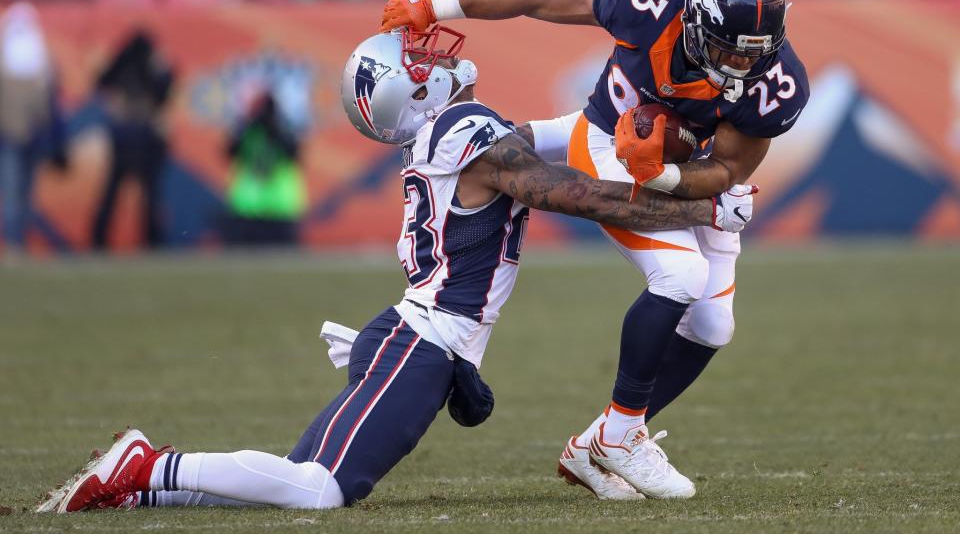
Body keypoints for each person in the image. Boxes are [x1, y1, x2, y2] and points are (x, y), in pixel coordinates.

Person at [37, 26, 756, 513]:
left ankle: (140, 487)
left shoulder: (450, 134)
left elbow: (569, 154)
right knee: (319, 489)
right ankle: (145, 466)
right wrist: (701, 208)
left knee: (296, 479)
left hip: (420, 338)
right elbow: (574, 194)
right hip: (424, 341)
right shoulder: (466, 131)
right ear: (410, 94)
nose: (438, 61)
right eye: (422, 67)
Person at [381, 0, 809, 499]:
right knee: (680, 276)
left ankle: (597, 442)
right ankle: (624, 434)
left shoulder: (778, 82)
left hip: (685, 168)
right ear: (696, 17)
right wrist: (435, 4)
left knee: (712, 326)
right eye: (729, 48)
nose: (742, 66)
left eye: (756, 53)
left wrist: (667, 174)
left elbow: (726, 168)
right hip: (604, 138)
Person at [90, 30, 174, 250]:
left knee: (115, 192)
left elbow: (101, 82)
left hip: (124, 136)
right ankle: (152, 241)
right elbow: (164, 92)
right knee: (148, 194)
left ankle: (99, 240)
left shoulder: (122, 65)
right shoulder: (149, 67)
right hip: (144, 136)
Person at [0, 2, 66, 256]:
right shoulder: (31, 57)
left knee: (23, 192)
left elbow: (50, 100)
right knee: (14, 191)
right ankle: (14, 243)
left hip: (29, 133)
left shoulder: (41, 56)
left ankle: (18, 243)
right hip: (11, 134)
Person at [221, 91, 306, 246]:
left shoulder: (285, 130)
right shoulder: (248, 130)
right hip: (248, 207)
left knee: (282, 262)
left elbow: (294, 154)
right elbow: (229, 152)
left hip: (280, 207)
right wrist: (247, 126)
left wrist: (275, 130)